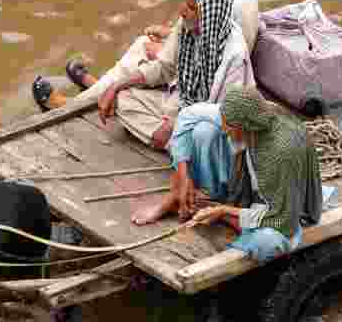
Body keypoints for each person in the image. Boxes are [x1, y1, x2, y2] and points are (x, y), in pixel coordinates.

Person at [33, 0, 260, 150]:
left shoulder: (226, 32)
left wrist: (170, 45)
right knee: (144, 55)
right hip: (201, 70)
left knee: (144, 47)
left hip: (203, 101)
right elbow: (204, 34)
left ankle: (75, 104)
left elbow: (206, 81)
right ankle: (103, 87)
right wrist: (172, 35)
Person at [133, 85, 323, 264]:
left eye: (229, 127)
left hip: (283, 209)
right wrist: (184, 176)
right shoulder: (250, 113)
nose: (224, 130)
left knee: (267, 241)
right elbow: (187, 116)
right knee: (205, 131)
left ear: (245, 126)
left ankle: (215, 208)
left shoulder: (278, 154)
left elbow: (282, 220)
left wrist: (224, 211)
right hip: (252, 185)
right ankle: (194, 199)